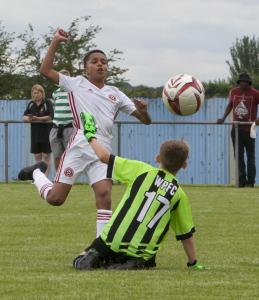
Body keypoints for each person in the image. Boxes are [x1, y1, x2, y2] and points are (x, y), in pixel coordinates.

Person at [18, 29, 151, 237]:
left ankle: (100, 248)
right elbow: (45, 70)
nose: (100, 64)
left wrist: (144, 113)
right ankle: (35, 173)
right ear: (85, 68)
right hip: (79, 147)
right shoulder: (76, 83)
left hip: (102, 152)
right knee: (56, 199)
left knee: (105, 195)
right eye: (95, 61)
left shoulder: (115, 93)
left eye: (104, 62)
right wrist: (55, 41)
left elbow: (145, 121)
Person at [72, 112, 203, 270]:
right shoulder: (179, 194)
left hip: (111, 241)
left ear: (157, 158)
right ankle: (128, 263)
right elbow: (186, 234)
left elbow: (104, 156)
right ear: (184, 165)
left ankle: (92, 256)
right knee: (139, 260)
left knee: (83, 257)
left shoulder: (141, 170)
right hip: (141, 252)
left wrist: (90, 134)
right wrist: (193, 262)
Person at [217, 72, 259, 187]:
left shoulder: (255, 93)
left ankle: (251, 182)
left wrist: (258, 119)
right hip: (236, 129)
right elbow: (230, 105)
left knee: (250, 157)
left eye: (245, 82)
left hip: (250, 129)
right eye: (241, 82)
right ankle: (242, 181)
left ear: (249, 83)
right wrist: (223, 118)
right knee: (238, 156)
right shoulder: (234, 92)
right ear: (239, 83)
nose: (243, 84)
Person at [23, 84, 54, 177]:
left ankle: (46, 177)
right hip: (35, 133)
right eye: (34, 93)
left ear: (42, 93)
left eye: (38, 92)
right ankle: (38, 177)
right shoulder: (31, 103)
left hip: (46, 132)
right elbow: (24, 116)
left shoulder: (47, 102)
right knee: (37, 156)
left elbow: (50, 116)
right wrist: (28, 119)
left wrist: (37, 118)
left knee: (46, 156)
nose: (36, 95)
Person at [50, 69, 74, 170]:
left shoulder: (73, 92)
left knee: (69, 155)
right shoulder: (55, 93)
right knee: (57, 155)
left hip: (69, 127)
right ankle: (58, 178)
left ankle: (68, 178)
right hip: (55, 128)